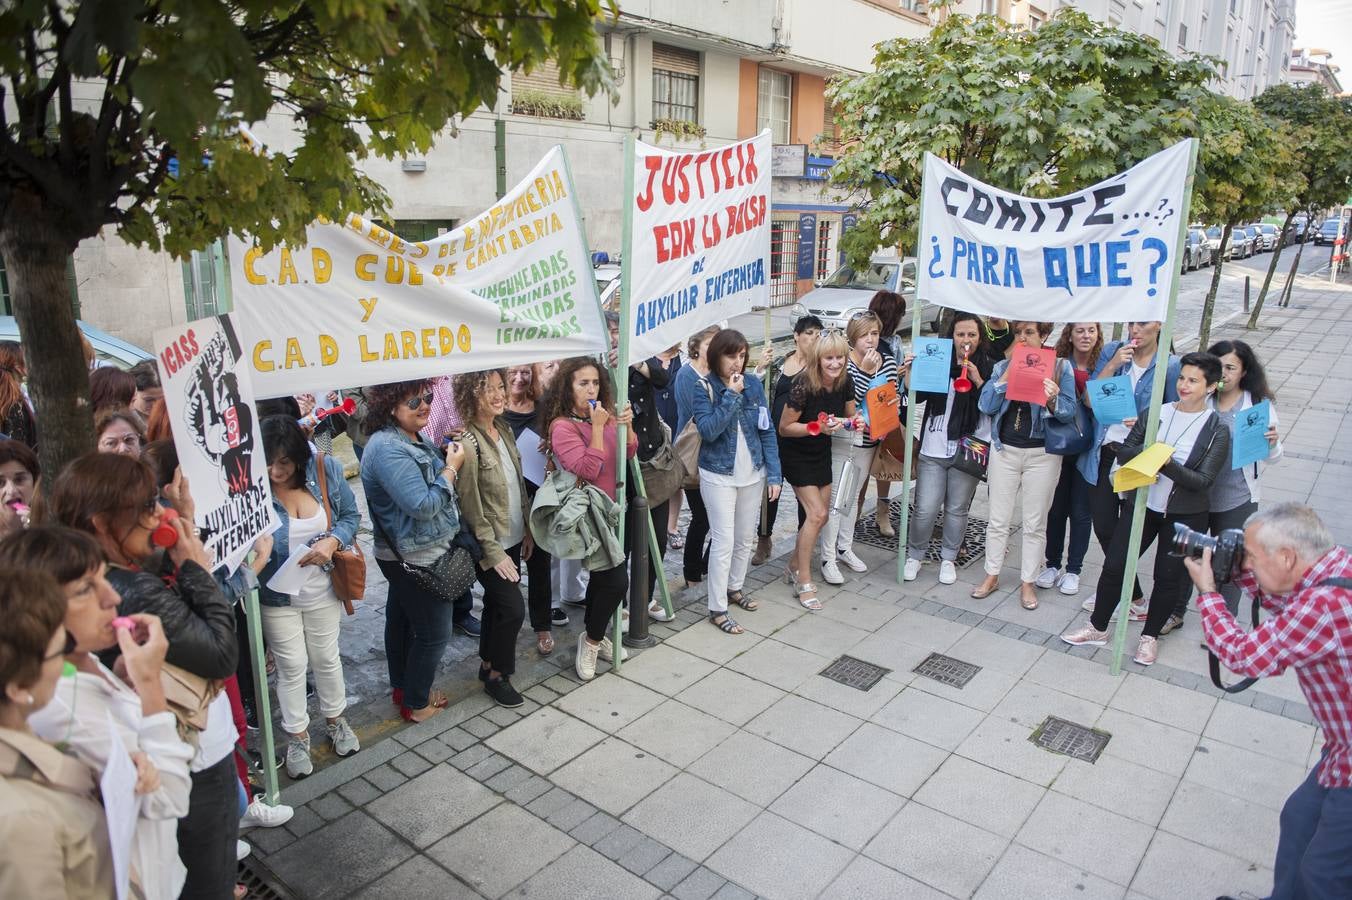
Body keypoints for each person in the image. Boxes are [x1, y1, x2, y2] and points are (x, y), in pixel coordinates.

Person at [45, 451, 242, 899]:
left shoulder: (125, 573)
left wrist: (183, 529)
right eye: (145, 508)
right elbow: (221, 654)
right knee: (207, 883)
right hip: (191, 759)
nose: (158, 515)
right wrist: (195, 568)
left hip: (183, 754)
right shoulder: (129, 589)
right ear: (101, 522)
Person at [10, 526, 194, 900]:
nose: (111, 597)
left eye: (103, 579)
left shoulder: (81, 663)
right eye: (84, 590)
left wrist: (124, 685)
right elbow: (171, 798)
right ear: (38, 610)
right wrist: (150, 689)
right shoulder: (57, 704)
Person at [1182, 504, 1351, 900]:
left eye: (1252, 558)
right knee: (1299, 819)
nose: (1250, 566)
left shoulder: (1322, 606)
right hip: (1340, 748)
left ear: (1287, 556)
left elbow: (1244, 654)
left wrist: (1209, 592)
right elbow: (1283, 603)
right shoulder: (1331, 566)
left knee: (1325, 875)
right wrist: (1238, 568)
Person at [1062, 352, 1231, 666]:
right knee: (1115, 565)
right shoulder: (1158, 412)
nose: (1184, 385)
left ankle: (1149, 637)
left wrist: (1165, 464)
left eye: (1193, 381)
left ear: (1209, 387)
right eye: (1182, 378)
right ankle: (1097, 627)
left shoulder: (1216, 429)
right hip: (1144, 504)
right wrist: (1146, 455)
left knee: (1166, 578)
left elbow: (1203, 480)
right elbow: (1125, 451)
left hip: (1185, 514)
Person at [361, 380, 473, 723]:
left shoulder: (410, 436)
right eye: (414, 401)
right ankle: (417, 702)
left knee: (400, 621)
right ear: (390, 406)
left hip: (415, 551)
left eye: (426, 397)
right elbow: (422, 505)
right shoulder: (386, 448)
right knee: (434, 633)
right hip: (415, 557)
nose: (424, 405)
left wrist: (441, 454)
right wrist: (451, 469)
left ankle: (404, 689)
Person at [0, 568, 114, 898]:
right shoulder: (20, 822)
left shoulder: (25, 733)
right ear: (19, 688)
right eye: (58, 650)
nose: (66, 662)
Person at [257, 416, 361, 777]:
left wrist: (333, 541)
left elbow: (349, 515)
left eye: (283, 462)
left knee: (326, 658)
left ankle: (336, 721)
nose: (275, 471)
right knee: (292, 667)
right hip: (276, 596)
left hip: (322, 589)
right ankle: (297, 738)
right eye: (267, 462)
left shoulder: (324, 468)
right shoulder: (252, 489)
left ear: (299, 458)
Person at [1168, 339, 1283, 632]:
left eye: (1231, 368)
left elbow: (1273, 458)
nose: (1225, 374)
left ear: (1244, 372)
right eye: (1219, 367)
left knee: (1229, 562)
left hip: (1236, 497)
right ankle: (1174, 612)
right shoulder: (1199, 398)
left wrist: (1272, 443)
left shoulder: (1256, 406)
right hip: (1195, 493)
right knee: (1187, 554)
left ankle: (1222, 623)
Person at [540, 357, 636, 680]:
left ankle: (597, 633)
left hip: (611, 507)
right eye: (583, 383)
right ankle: (592, 641)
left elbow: (629, 452)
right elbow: (587, 469)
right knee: (616, 580)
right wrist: (596, 428)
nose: (591, 389)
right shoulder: (561, 427)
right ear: (568, 387)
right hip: (588, 514)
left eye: (595, 382)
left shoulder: (603, 416)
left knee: (601, 581)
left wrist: (626, 424)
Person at [1078, 320, 1181, 620]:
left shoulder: (1170, 366)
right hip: (1105, 452)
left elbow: (1177, 415)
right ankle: (1132, 593)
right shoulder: (1114, 351)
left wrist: (1148, 426)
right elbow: (1088, 401)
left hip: (1138, 457)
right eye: (1132, 323)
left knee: (1128, 530)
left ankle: (1116, 588)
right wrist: (1111, 366)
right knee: (1104, 525)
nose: (1135, 330)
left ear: (1159, 326)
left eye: (1142, 324)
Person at [975, 320, 1077, 609]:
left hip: (1042, 453)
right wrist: (1006, 375)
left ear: (1044, 336)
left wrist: (1053, 397)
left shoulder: (1060, 367)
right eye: (1018, 332)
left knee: (1034, 522)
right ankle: (991, 574)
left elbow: (1069, 412)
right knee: (998, 519)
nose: (1022, 338)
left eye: (1029, 332)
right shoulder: (1001, 367)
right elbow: (986, 406)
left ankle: (1028, 582)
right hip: (1004, 449)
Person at [688, 329, 782, 634]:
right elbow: (708, 431)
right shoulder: (704, 387)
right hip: (718, 474)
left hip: (752, 472)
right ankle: (717, 606)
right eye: (732, 355)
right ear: (717, 356)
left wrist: (774, 473)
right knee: (724, 540)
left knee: (744, 538)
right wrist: (731, 395)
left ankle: (735, 587)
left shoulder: (753, 384)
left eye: (742, 356)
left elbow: (766, 430)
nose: (737, 363)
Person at [453, 369, 530, 707]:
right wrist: (493, 553)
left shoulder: (503, 428)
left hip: (514, 535)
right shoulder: (467, 444)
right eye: (489, 390)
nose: (500, 395)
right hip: (491, 544)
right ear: (472, 395)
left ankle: (487, 664)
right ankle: (499, 674)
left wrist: (527, 527)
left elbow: (517, 483)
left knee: (498, 607)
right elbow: (471, 507)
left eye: (501, 387)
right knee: (513, 609)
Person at [903, 312, 995, 585]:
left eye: (971, 335)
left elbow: (992, 406)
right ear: (951, 337)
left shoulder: (989, 366)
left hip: (969, 445)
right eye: (960, 335)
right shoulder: (938, 360)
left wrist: (979, 380)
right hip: (935, 443)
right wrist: (910, 372)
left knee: (957, 508)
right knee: (925, 507)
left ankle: (948, 558)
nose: (965, 340)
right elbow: (915, 396)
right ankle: (915, 555)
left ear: (980, 338)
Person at [820, 311, 904, 582]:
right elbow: (848, 403)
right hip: (845, 438)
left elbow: (890, 396)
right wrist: (867, 373)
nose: (870, 340)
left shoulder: (888, 362)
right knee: (837, 499)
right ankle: (827, 556)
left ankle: (845, 546)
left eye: (875, 334)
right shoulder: (844, 365)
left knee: (854, 495)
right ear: (853, 337)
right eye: (865, 334)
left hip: (871, 440)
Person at [778, 329, 855, 611]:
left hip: (821, 451)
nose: (835, 364)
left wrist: (852, 424)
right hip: (796, 453)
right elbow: (785, 428)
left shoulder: (845, 382)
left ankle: (791, 565)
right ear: (818, 359)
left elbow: (850, 416)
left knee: (820, 518)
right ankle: (803, 579)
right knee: (817, 514)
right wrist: (818, 427)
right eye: (829, 359)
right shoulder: (802, 385)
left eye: (840, 358)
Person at [613, 313, 674, 622]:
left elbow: (663, 379)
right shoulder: (599, 370)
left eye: (618, 333)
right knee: (623, 540)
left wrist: (636, 362)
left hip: (651, 461)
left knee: (656, 537)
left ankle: (646, 597)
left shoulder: (640, 358)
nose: (614, 339)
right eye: (610, 334)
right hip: (620, 464)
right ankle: (622, 603)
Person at [1036, 322, 1104, 597]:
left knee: (1081, 510)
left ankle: (1073, 569)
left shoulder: (1105, 363)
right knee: (1055, 507)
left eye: (1091, 330)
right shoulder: (1057, 361)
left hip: (1089, 444)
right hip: (1059, 440)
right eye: (1080, 330)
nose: (1086, 336)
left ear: (1098, 334)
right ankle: (1052, 564)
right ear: (1070, 334)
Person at [504, 363, 564, 651]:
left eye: (525, 372)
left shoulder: (544, 407)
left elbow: (562, 439)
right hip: (506, 501)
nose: (518, 378)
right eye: (513, 372)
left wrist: (552, 444)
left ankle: (542, 626)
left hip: (538, 495)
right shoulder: (494, 409)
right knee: (509, 568)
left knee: (540, 564)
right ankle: (508, 624)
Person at [754, 315, 821, 565]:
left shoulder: (819, 368)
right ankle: (764, 537)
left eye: (818, 334)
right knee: (770, 490)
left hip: (803, 439)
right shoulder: (781, 363)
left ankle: (802, 545)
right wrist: (761, 367)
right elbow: (759, 388)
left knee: (804, 495)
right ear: (796, 336)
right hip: (775, 438)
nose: (814, 338)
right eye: (810, 333)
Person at [674, 326, 720, 588]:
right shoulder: (685, 374)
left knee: (721, 517)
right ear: (696, 345)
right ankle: (692, 572)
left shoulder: (717, 372)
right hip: (693, 455)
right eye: (709, 343)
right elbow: (698, 418)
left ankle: (707, 564)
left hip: (716, 454)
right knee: (702, 515)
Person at [867, 290, 907, 535]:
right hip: (872, 409)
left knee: (887, 463)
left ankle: (883, 511)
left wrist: (903, 375)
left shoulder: (896, 342)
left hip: (895, 405)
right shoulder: (870, 341)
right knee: (863, 464)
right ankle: (855, 511)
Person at [653, 344, 685, 548]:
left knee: (676, 480)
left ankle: (671, 526)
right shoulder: (645, 356)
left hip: (679, 425)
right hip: (653, 425)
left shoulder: (685, 359)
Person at [0, 341, 36, 450]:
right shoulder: (14, 401)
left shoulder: (15, 395)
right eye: (27, 357)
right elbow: (17, 446)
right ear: (17, 366)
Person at [0, 438, 38, 535]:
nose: (11, 491)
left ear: (35, 482)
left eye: (19, 480)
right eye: (0, 483)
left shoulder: (52, 530)